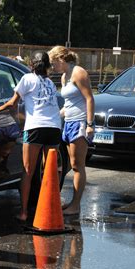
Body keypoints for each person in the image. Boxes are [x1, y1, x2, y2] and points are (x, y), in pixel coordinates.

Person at [0, 51, 62, 222]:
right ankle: (50, 209)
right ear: (47, 65)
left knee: (28, 171)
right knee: (49, 171)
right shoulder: (50, 83)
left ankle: (24, 212)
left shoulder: (27, 78)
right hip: (54, 127)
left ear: (31, 64)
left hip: (35, 127)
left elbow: (13, 102)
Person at [48, 45, 94, 216]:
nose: (52, 67)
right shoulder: (64, 76)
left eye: (53, 63)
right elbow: (68, 105)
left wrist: (90, 124)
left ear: (61, 59)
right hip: (68, 122)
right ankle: (73, 203)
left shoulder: (78, 73)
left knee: (77, 165)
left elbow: (89, 99)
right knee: (71, 165)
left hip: (80, 122)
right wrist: (54, 116)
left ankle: (76, 205)